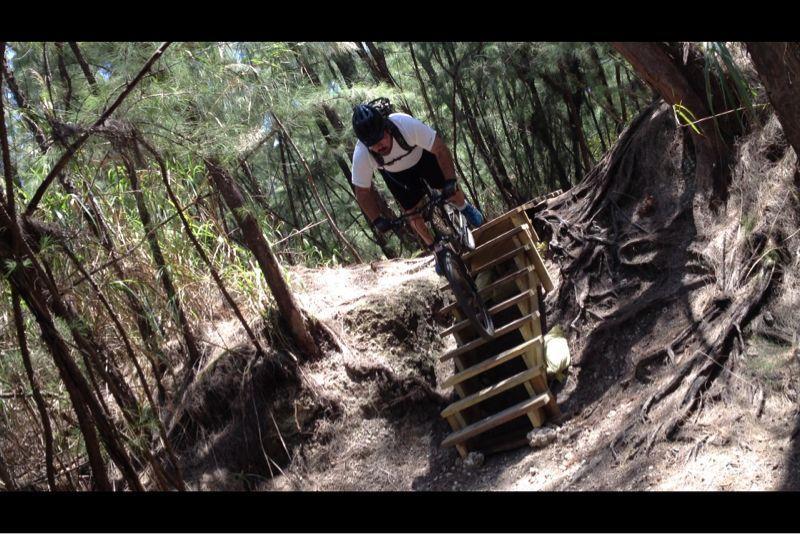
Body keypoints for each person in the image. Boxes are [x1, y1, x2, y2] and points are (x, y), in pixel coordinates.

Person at [350, 102, 484, 274]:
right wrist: (377, 220)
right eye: (372, 144)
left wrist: (450, 180)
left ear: (387, 128)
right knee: (411, 213)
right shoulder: (362, 153)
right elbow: (362, 192)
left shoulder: (404, 124)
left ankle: (464, 208)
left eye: (380, 138)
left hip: (422, 157)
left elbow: (440, 149)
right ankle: (436, 250)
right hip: (396, 174)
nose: (378, 146)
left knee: (447, 188)